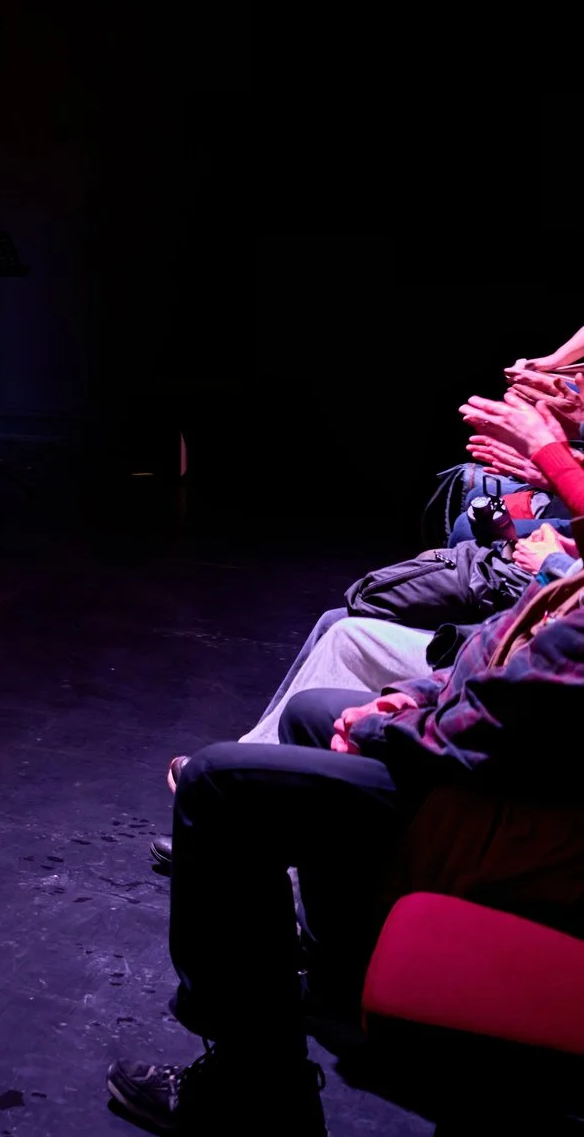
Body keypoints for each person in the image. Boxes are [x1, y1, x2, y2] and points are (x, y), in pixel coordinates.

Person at [104, 390, 584, 1135]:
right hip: (498, 768)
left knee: (217, 786)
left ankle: (252, 1092)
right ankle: (336, 976)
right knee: (312, 711)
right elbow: (496, 660)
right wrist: (405, 696)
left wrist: (391, 725)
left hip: (517, 818)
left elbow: (503, 714)